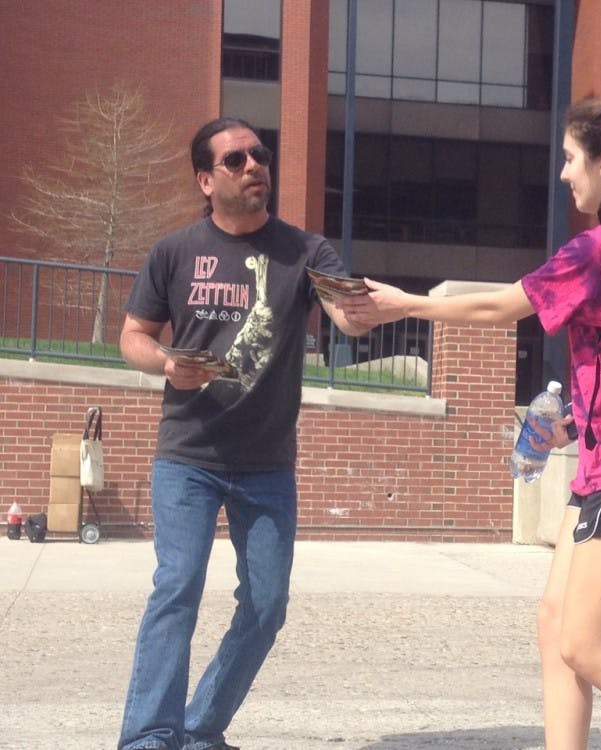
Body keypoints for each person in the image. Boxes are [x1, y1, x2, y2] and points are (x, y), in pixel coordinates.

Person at [339, 98, 601, 749]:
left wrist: (403, 303)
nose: (565, 175)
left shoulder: (598, 251)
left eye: (572, 160)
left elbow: (499, 307)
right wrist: (571, 424)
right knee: (553, 622)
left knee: (587, 645)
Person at [117, 117, 376, 750]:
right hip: (189, 457)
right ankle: (149, 737)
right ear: (206, 180)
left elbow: (348, 314)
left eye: (260, 154)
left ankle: (201, 727)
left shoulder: (304, 251)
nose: (254, 165)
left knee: (266, 606)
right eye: (236, 159)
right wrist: (167, 364)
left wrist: (361, 310)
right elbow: (132, 337)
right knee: (177, 588)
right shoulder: (175, 252)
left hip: (266, 463)